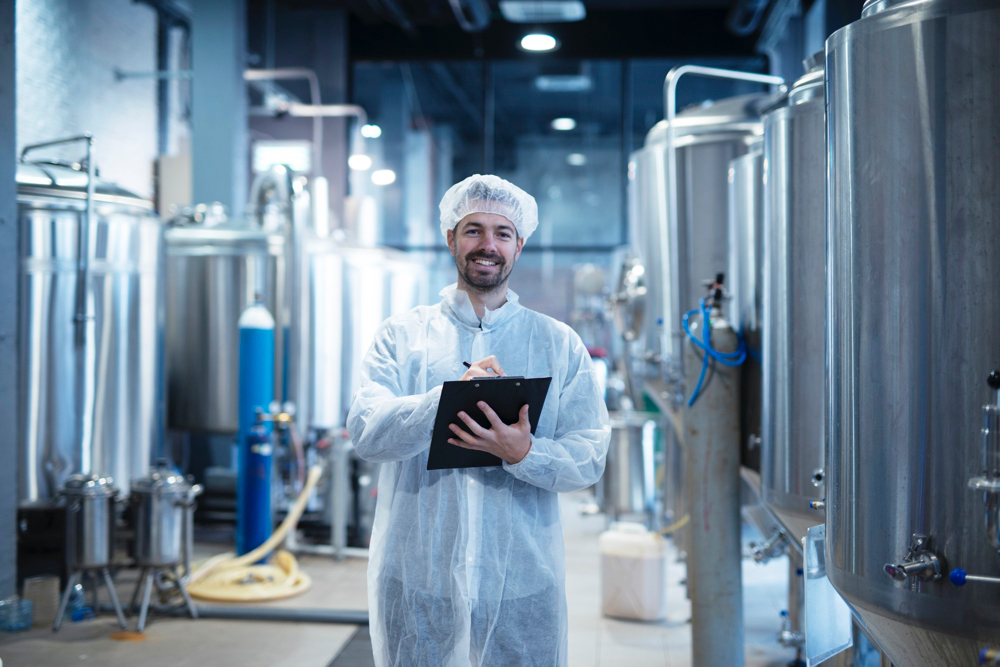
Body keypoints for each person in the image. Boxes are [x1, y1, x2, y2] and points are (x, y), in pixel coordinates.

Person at [347, 174, 611, 666]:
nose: (487, 245)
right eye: (473, 230)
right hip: (419, 578)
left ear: (519, 244)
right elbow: (366, 430)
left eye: (502, 233)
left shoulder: (557, 344)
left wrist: (526, 453)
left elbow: (589, 455)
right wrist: (442, 403)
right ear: (451, 237)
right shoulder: (402, 338)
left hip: (521, 583)